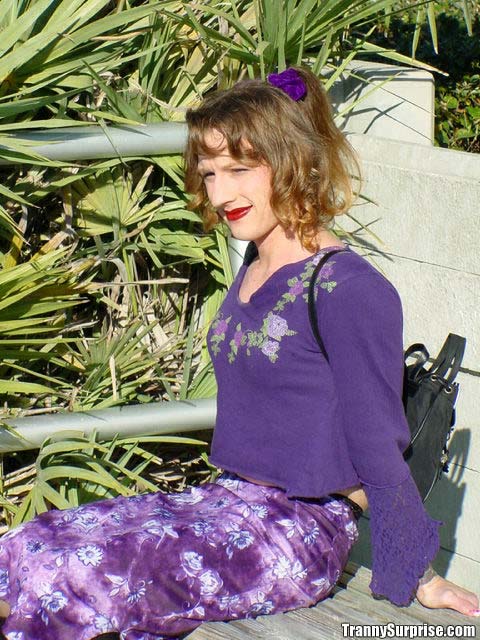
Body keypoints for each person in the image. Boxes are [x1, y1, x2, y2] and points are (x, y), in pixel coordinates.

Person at [0, 67, 477, 640]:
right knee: (25, 545)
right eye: (209, 173)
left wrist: (421, 575)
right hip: (221, 501)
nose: (220, 194)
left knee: (70, 577)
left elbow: (378, 445)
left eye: (239, 170)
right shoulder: (256, 260)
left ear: (294, 161)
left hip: (296, 534)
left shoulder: (348, 289)